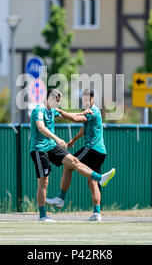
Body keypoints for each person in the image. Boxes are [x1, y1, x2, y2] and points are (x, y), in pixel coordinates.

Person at [30, 89, 116, 222]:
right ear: (51, 98)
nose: (58, 105)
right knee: (44, 181)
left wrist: (81, 114)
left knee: (73, 162)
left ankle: (62, 197)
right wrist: (59, 138)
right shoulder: (39, 109)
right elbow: (41, 128)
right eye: (57, 101)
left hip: (55, 146)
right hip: (39, 149)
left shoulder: (90, 111)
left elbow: (71, 117)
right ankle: (42, 215)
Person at [46, 89, 107, 221]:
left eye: (88, 99)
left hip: (92, 149)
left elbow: (75, 118)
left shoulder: (93, 111)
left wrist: (60, 111)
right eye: (84, 99)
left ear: (93, 99)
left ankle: (60, 198)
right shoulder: (91, 112)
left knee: (69, 164)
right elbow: (83, 128)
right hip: (101, 152)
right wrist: (74, 140)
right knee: (92, 181)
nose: (86, 102)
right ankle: (97, 213)